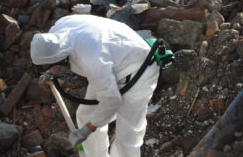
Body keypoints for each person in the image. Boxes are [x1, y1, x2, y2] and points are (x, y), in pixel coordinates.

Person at [30, 14, 160, 157]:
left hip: (138, 65)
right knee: (86, 115)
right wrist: (49, 73)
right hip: (112, 58)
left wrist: (86, 130)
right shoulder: (57, 30)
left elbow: (111, 101)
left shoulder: (90, 60)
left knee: (127, 132)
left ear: (60, 58)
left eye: (51, 66)